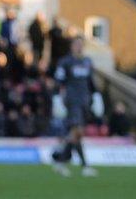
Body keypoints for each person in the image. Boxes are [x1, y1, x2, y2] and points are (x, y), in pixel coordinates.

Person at [51, 36, 99, 177]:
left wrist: (96, 96)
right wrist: (56, 98)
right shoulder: (65, 62)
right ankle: (83, 165)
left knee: (77, 135)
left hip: (85, 101)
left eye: (81, 44)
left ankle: (59, 158)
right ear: (71, 46)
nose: (79, 47)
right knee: (77, 131)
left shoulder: (87, 61)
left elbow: (91, 81)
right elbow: (58, 80)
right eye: (76, 44)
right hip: (72, 101)